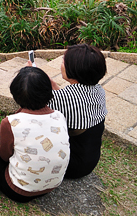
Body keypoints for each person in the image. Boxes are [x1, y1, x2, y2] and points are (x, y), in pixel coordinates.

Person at [0, 67, 70, 203]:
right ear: (49, 92)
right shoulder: (59, 116)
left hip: (19, 191)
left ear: (16, 95)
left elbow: (4, 156)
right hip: (53, 186)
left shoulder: (10, 122)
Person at [48, 44, 107, 178]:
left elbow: (32, 102)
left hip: (70, 165)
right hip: (89, 161)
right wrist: (52, 84)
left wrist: (30, 77)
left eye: (63, 61)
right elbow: (68, 101)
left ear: (74, 69)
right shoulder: (98, 90)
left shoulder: (63, 98)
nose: (61, 64)